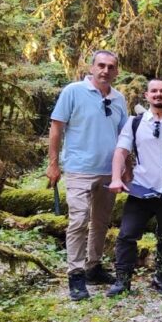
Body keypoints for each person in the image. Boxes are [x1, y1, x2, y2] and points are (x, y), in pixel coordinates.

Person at [47, 50, 128, 300]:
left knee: (101, 222)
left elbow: (125, 137)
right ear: (92, 67)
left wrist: (127, 169)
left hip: (109, 172)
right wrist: (53, 164)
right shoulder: (73, 91)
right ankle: (76, 275)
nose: (105, 70)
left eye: (111, 67)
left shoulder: (119, 99)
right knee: (78, 221)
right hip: (79, 169)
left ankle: (93, 267)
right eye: (101, 65)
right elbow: (56, 128)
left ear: (116, 71)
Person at [106, 79, 162, 296]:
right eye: (154, 91)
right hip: (142, 191)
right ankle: (123, 280)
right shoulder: (135, 123)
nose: (159, 94)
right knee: (127, 235)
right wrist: (116, 179)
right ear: (146, 96)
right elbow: (121, 151)